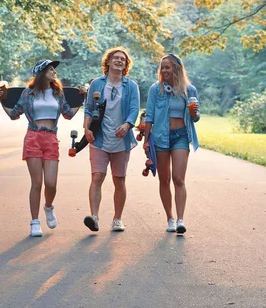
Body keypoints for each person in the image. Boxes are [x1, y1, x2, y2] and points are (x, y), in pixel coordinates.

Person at [0, 59, 87, 237]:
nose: (54, 72)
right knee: (36, 183)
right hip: (33, 137)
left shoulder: (57, 93)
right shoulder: (28, 93)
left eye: (54, 69)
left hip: (51, 139)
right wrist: (2, 101)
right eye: (51, 69)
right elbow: (14, 114)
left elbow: (67, 114)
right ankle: (35, 222)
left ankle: (48, 207)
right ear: (40, 72)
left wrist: (82, 98)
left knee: (51, 184)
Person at [82, 47, 140, 232]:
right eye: (115, 58)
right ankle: (95, 217)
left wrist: (127, 125)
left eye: (122, 59)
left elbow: (134, 109)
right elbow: (88, 108)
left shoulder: (131, 86)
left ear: (126, 64)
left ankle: (117, 219)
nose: (119, 61)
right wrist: (86, 129)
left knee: (119, 180)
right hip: (99, 138)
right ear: (107, 62)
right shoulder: (97, 84)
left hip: (121, 141)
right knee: (97, 177)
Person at [143, 53, 200, 234]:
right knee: (164, 179)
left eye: (167, 67)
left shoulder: (189, 90)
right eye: (162, 67)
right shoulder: (155, 89)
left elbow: (196, 117)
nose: (164, 70)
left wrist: (194, 113)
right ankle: (170, 218)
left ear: (176, 68)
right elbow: (149, 116)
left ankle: (180, 219)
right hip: (160, 137)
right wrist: (146, 140)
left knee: (178, 178)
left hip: (181, 135)